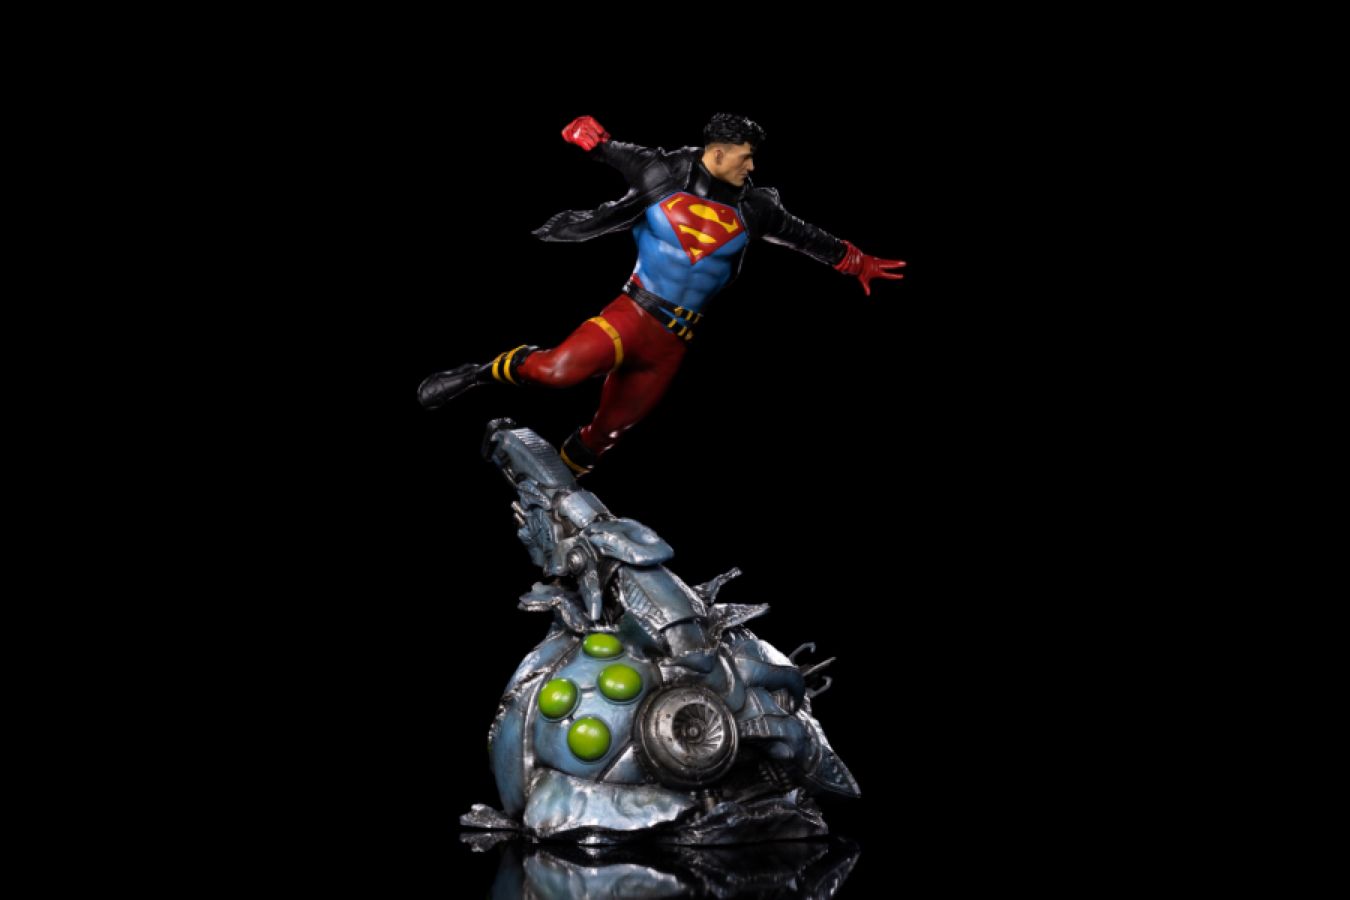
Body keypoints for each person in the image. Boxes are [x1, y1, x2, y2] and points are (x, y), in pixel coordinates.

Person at [417, 113, 906, 476]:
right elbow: (607, 147)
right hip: (631, 314)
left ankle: (560, 491)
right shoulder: (660, 170)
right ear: (719, 152)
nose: (752, 165)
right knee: (555, 372)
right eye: (745, 156)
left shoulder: (757, 208)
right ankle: (477, 373)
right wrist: (586, 135)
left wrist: (857, 261)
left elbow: (808, 238)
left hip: (672, 345)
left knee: (606, 434)